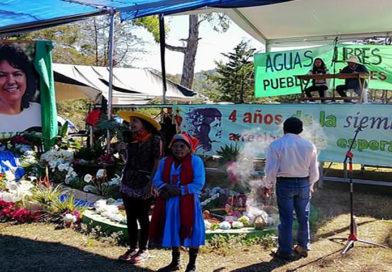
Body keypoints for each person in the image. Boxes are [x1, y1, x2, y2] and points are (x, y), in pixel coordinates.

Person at [264, 117, 319, 261]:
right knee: (303, 217)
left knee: (286, 218)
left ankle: (285, 251)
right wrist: (311, 185)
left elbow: (271, 170)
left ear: (284, 129)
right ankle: (302, 247)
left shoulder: (276, 144)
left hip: (285, 184)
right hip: (304, 183)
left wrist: (268, 185)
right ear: (301, 130)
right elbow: (314, 170)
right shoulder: (309, 145)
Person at [150, 133, 205, 272]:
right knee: (173, 229)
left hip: (189, 202)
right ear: (171, 147)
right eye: (175, 146)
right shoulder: (164, 162)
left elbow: (199, 183)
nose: (178, 149)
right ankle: (175, 261)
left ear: (189, 148)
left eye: (182, 146)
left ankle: (192, 264)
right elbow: (157, 180)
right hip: (170, 201)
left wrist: (180, 190)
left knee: (192, 230)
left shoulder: (196, 161)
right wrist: (167, 188)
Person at [116, 111, 163, 263]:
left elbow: (157, 163)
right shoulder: (131, 140)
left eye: (135, 121)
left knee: (142, 216)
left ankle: (144, 249)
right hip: (128, 181)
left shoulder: (155, 139)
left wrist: (151, 184)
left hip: (145, 182)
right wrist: (122, 150)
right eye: (131, 121)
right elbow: (126, 161)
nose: (132, 124)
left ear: (144, 123)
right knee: (130, 216)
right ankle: (132, 247)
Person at [0, 44, 41, 133]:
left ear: (27, 78)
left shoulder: (38, 111)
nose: (11, 81)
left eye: (17, 74)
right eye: (2, 75)